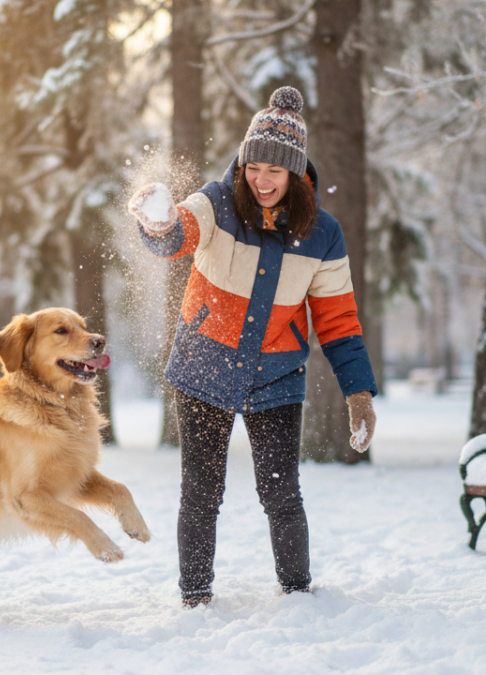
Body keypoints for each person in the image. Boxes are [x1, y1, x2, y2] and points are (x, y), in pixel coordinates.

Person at [127, 86, 377, 608]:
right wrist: (160, 222)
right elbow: (179, 233)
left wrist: (358, 392)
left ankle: (299, 594)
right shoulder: (218, 203)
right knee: (201, 493)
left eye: (275, 171)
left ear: (295, 174)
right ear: (242, 164)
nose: (261, 180)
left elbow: (338, 321)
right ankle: (194, 597)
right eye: (254, 167)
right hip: (203, 366)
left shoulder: (322, 235)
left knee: (281, 493)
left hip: (276, 375)